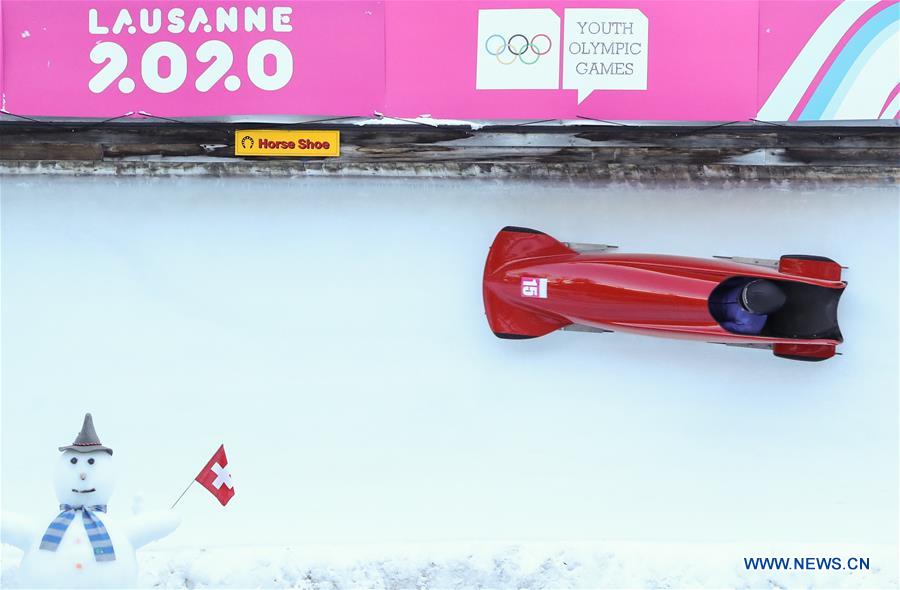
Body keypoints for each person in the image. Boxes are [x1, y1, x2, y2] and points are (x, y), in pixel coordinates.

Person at [710, 278, 786, 335]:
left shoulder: (750, 326)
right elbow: (722, 282)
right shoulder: (748, 281)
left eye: (743, 304)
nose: (737, 299)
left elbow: (717, 326)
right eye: (741, 294)